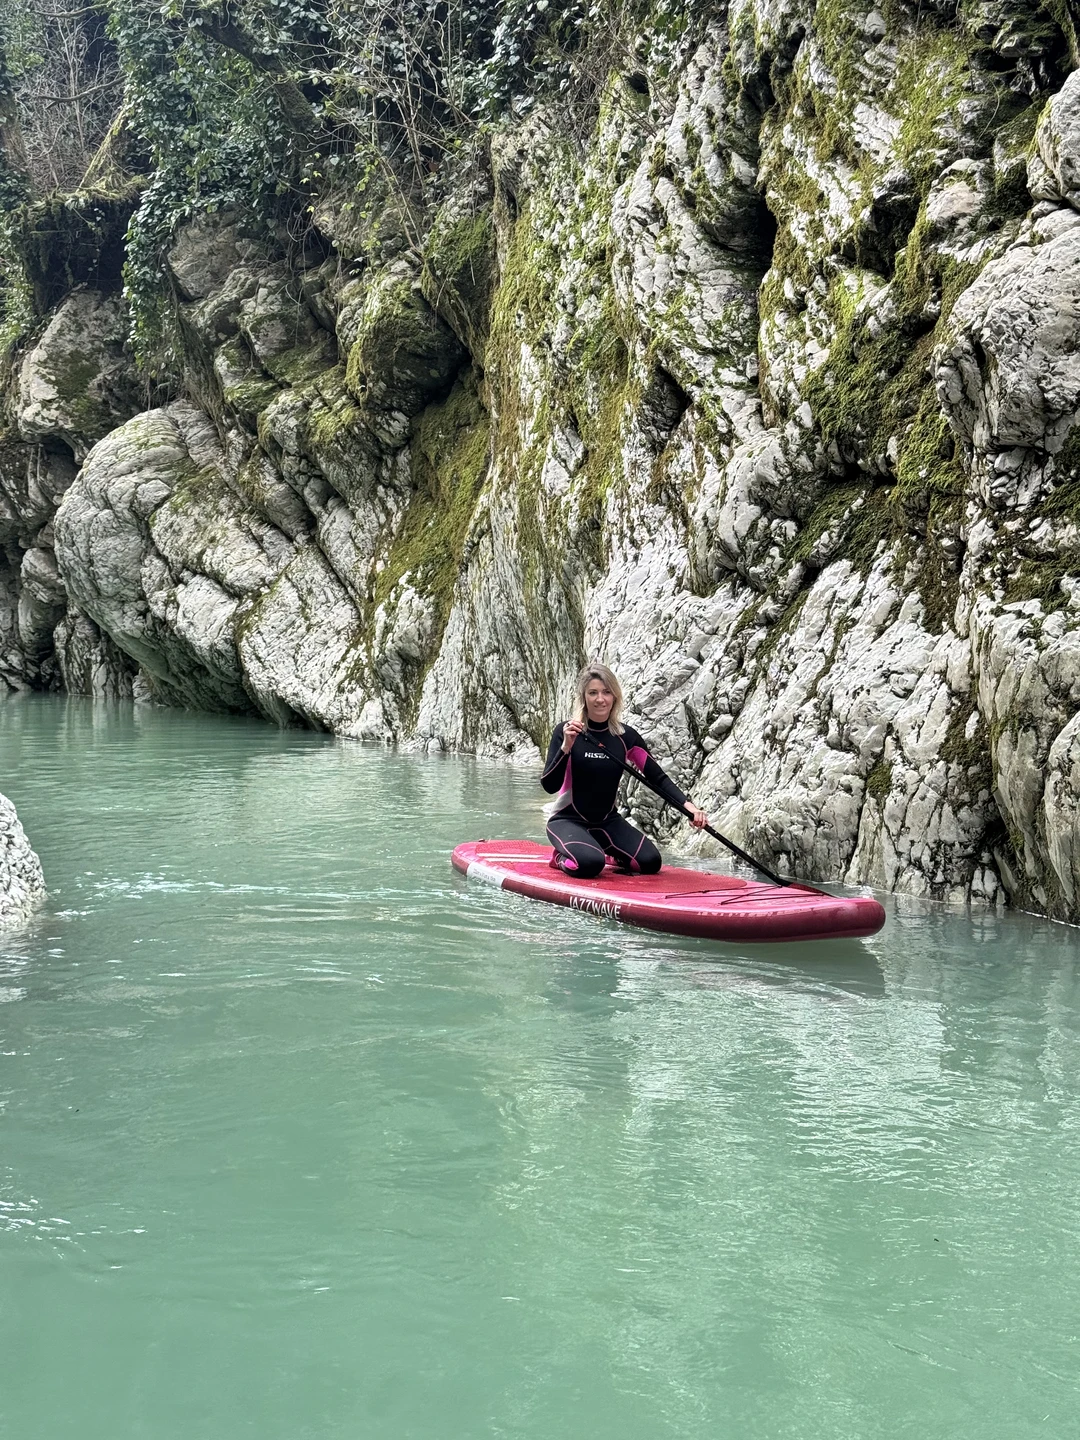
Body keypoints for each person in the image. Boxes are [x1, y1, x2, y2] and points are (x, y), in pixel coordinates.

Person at [540, 662, 708, 879]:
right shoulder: (566, 731)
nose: (600, 699)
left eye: (606, 692)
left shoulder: (626, 737)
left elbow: (657, 778)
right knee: (590, 865)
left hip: (607, 821)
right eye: (593, 693)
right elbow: (549, 785)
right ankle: (560, 858)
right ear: (584, 698)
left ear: (615, 697)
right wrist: (566, 747)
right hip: (567, 820)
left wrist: (690, 808)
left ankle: (606, 852)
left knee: (650, 862)